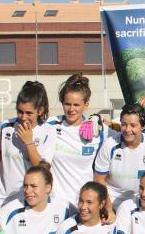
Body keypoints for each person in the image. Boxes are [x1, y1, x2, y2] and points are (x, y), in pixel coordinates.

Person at [48, 74, 111, 206]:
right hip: (55, 204)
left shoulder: (97, 129)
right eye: (67, 104)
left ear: (86, 104)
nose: (71, 109)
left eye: (76, 105)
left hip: (84, 205)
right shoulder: (51, 125)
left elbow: (126, 134)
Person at [0, 81, 55, 208]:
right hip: (1, 201)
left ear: (40, 111)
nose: (23, 117)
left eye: (29, 113)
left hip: (29, 201)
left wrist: (28, 142)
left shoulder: (48, 131)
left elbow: (43, 169)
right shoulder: (6, 126)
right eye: (20, 111)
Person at [94, 104, 145, 210]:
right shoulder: (109, 145)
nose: (127, 129)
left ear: (142, 126)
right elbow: (99, 179)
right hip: (111, 203)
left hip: (139, 205)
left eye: (133, 125)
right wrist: (108, 208)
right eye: (124, 124)